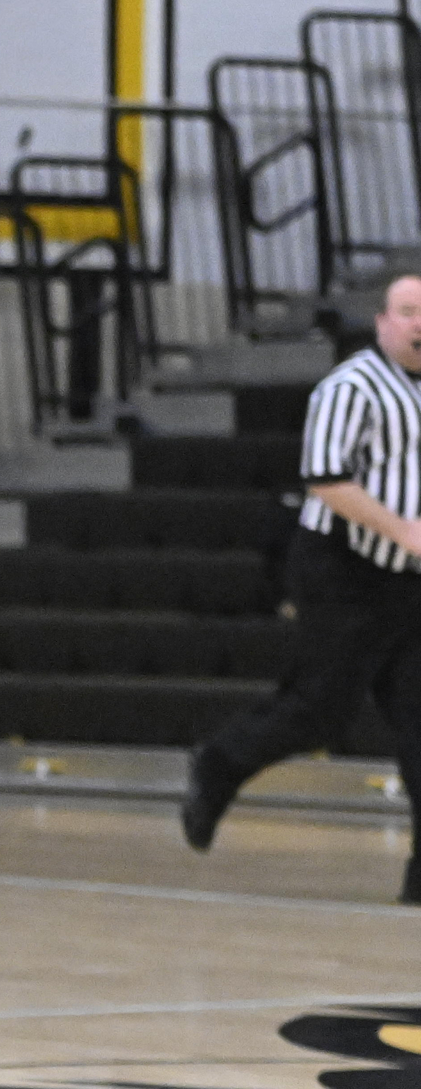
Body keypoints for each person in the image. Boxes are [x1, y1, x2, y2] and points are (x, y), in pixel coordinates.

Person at [185, 273, 421, 904]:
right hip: (343, 569)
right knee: (323, 709)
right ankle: (221, 763)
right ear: (381, 323)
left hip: (411, 581)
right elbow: (325, 480)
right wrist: (404, 531)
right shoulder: (350, 388)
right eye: (408, 312)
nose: (420, 324)